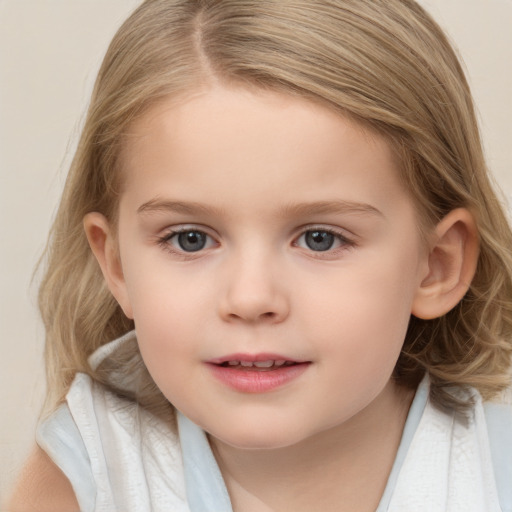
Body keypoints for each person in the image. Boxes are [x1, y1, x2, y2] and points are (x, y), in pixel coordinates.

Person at [7, 0, 512, 510]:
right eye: (190, 239)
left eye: (321, 238)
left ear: (437, 266)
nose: (250, 298)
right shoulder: (91, 474)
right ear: (116, 266)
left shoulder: (493, 470)